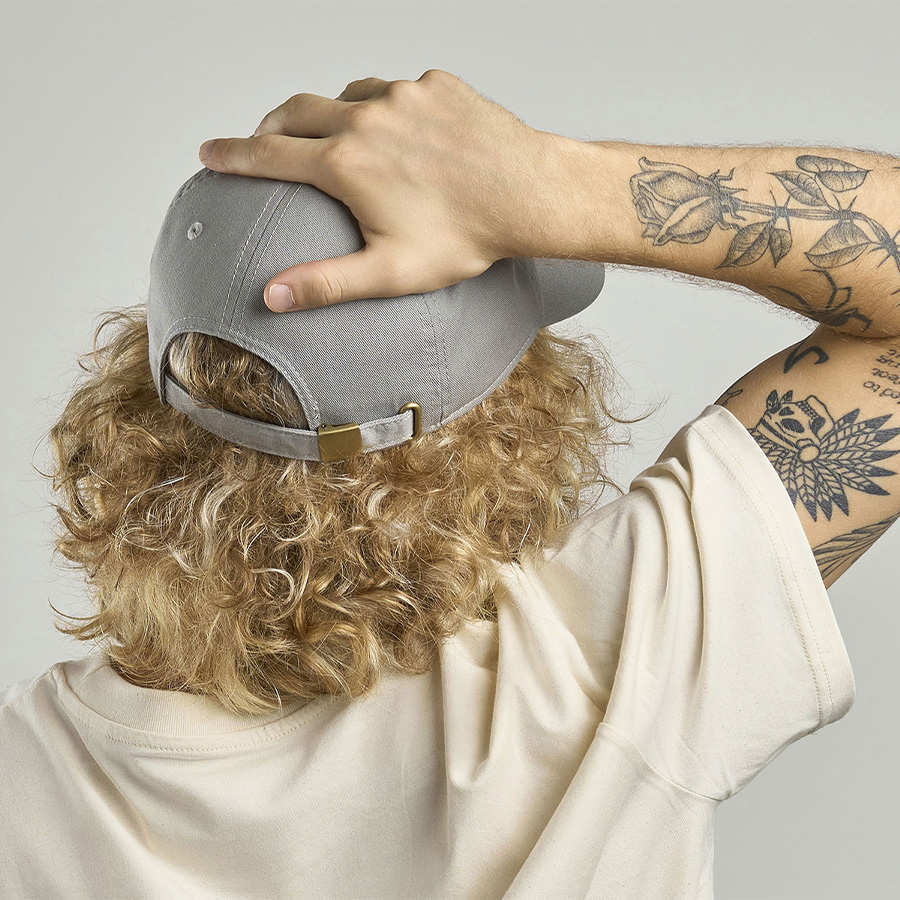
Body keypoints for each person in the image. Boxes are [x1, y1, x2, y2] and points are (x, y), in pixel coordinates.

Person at [1, 68, 896, 898]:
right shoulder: (613, 652)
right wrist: (545, 182)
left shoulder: (26, 780)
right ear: (506, 427)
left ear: (143, 398)